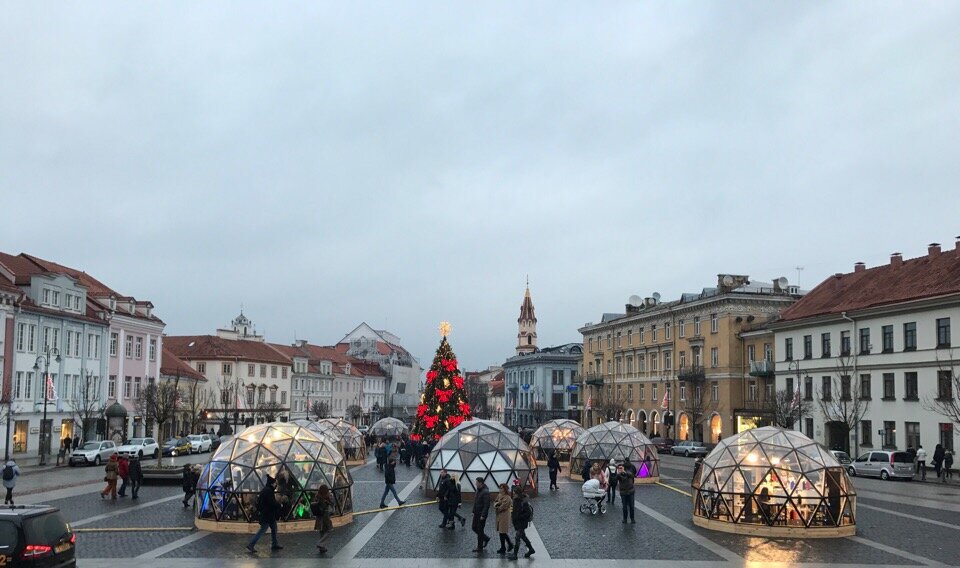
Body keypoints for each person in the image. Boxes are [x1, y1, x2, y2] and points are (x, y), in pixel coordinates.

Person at [247, 475, 283, 553]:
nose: (275, 485)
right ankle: (251, 544)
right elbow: (271, 503)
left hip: (268, 515)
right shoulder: (268, 491)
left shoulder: (266, 490)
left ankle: (274, 544)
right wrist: (279, 505)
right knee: (262, 530)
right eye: (274, 483)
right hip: (267, 515)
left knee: (274, 528)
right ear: (271, 483)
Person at [507, 486, 534, 559]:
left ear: (518, 493)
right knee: (523, 537)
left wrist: (519, 516)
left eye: (514, 493)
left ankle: (515, 555)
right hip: (517, 522)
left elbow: (527, 513)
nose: (513, 494)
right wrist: (512, 515)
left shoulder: (523, 502)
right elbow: (512, 509)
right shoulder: (515, 500)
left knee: (517, 537)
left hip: (522, 523)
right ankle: (531, 549)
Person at [311, 485, 334, 554]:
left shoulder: (317, 496)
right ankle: (320, 543)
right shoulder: (327, 498)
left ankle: (322, 548)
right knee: (329, 530)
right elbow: (332, 504)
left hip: (319, 517)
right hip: (325, 516)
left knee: (322, 531)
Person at [471, 477, 491, 553]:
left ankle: (480, 548)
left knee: (480, 530)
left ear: (480, 483)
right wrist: (473, 511)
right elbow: (476, 502)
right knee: (474, 527)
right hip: (476, 513)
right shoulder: (478, 490)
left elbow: (486, 505)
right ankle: (486, 538)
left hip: (481, 515)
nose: (475, 484)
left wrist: (483, 515)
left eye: (476, 482)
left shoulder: (485, 492)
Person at [494, 483, 514, 554]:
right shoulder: (499, 495)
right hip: (499, 516)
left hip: (505, 516)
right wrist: (497, 504)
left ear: (505, 489)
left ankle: (508, 545)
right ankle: (504, 546)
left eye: (502, 488)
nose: (500, 489)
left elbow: (502, 507)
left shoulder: (507, 498)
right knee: (501, 532)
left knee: (503, 532)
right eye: (500, 488)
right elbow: (495, 502)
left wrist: (498, 505)